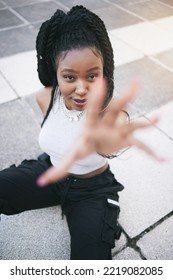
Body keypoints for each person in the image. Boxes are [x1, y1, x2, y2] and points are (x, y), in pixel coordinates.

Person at [0, 5, 161, 260]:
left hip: (91, 190)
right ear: (56, 75)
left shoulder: (109, 114)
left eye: (92, 76)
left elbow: (110, 141)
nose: (81, 88)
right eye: (70, 77)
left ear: (104, 73)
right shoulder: (45, 97)